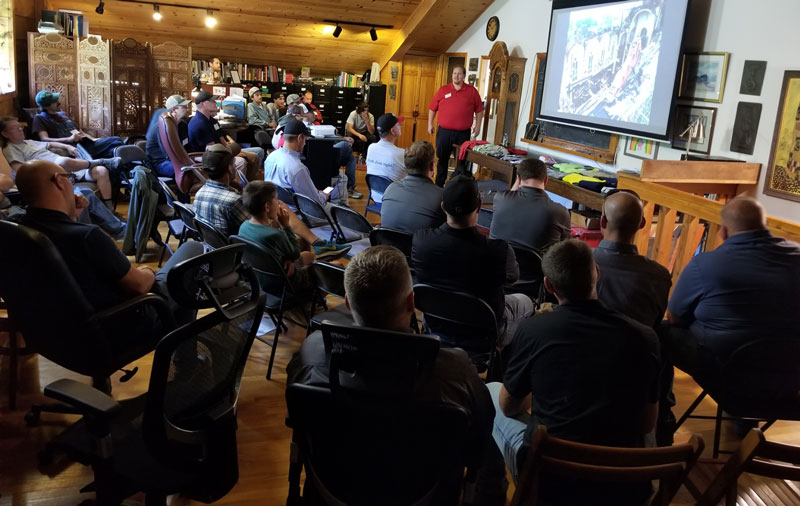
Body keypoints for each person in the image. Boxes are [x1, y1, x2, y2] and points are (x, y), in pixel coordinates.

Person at [286, 245, 496, 501]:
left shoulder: (312, 353)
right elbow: (480, 434)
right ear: (411, 302)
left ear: (349, 303)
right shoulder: (456, 372)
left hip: (332, 491)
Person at [489, 239, 659, 504]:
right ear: (597, 274)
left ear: (548, 285)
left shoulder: (534, 330)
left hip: (552, 479)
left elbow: (509, 406)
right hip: (623, 483)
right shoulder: (645, 337)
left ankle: (488, 491)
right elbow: (647, 423)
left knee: (490, 391)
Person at [14, 160, 203, 331]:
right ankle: (184, 357)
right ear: (59, 181)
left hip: (59, 331)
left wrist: (72, 215)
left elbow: (63, 234)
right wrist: (148, 271)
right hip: (125, 322)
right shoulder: (87, 237)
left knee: (183, 285)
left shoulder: (17, 228)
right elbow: (139, 286)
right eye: (69, 178)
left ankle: (183, 353)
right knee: (192, 252)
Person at [664, 196, 800, 387]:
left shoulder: (705, 263)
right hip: (788, 377)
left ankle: (662, 408)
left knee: (660, 331)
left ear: (724, 232)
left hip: (727, 373)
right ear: (765, 225)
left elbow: (675, 318)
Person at [412, 175, 533, 348]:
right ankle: (505, 365)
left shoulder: (420, 240)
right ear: (479, 207)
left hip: (435, 325)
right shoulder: (498, 250)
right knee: (526, 302)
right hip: (484, 335)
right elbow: (512, 279)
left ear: (443, 207)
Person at [263, 119, 352, 256]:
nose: (305, 143)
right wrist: (324, 195)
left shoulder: (271, 157)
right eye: (305, 140)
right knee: (339, 205)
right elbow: (315, 203)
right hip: (300, 212)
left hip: (280, 204)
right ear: (300, 138)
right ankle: (340, 240)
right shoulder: (297, 168)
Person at [594, 190, 671, 329]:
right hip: (636, 349)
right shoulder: (661, 276)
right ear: (642, 223)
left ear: (603, 221)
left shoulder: (577, 261)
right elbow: (655, 323)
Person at [1, 116, 119, 206]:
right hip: (54, 173)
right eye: (14, 128)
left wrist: (67, 147)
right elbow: (21, 171)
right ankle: (103, 161)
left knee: (102, 171)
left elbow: (49, 143)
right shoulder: (10, 149)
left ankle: (109, 208)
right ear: (5, 133)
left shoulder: (29, 142)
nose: (20, 129)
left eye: (20, 126)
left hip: (70, 170)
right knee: (63, 162)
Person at [489, 158, 570, 252]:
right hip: (536, 266)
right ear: (546, 180)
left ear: (518, 179)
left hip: (496, 263)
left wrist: (518, 180)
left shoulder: (500, 198)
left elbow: (511, 196)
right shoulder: (559, 211)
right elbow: (565, 248)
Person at [187, 90, 265, 181]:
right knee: (241, 161)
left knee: (258, 152)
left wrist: (233, 151)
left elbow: (222, 140)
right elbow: (212, 150)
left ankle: (248, 186)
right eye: (212, 101)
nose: (215, 103)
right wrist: (232, 153)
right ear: (202, 104)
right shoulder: (199, 123)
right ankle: (237, 188)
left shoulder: (212, 121)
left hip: (222, 151)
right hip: (211, 157)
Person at [428, 65, 484, 187]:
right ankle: (439, 185)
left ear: (464, 76)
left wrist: (478, 126)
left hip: (463, 133)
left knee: (461, 160)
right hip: (444, 132)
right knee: (442, 159)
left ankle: (457, 186)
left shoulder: (472, 91)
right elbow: (432, 108)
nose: (456, 76)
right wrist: (430, 124)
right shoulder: (443, 90)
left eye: (459, 74)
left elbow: (479, 110)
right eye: (454, 73)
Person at [31, 90, 125, 163]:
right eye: (54, 101)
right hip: (75, 147)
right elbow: (44, 139)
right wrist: (68, 139)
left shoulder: (63, 114)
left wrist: (94, 139)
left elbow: (81, 132)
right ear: (46, 106)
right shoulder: (39, 118)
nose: (58, 102)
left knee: (115, 150)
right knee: (116, 141)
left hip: (86, 143)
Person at [380, 140, 445, 233]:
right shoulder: (440, 197)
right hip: (419, 247)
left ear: (406, 165)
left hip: (387, 245)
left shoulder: (390, 188)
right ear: (432, 167)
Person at [192, 144, 249, 237]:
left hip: (210, 248)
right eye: (234, 163)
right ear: (230, 168)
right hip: (233, 249)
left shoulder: (199, 193)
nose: (235, 166)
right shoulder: (233, 200)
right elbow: (254, 230)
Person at [144, 94, 192, 177]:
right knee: (187, 171)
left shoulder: (183, 125)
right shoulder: (161, 127)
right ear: (174, 109)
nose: (188, 109)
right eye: (184, 107)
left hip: (175, 159)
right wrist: (188, 163)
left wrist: (195, 159)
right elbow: (169, 154)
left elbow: (186, 147)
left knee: (199, 168)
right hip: (160, 163)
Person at [365, 113, 406, 204]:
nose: (401, 126)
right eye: (399, 125)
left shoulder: (371, 148)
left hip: (375, 197)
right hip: (393, 202)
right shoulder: (401, 153)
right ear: (393, 131)